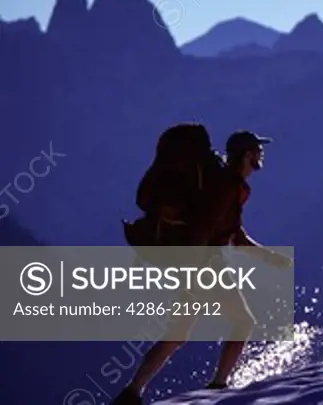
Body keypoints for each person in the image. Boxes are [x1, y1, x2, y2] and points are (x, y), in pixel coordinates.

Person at [113, 130, 292, 405]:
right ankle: (219, 387)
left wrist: (270, 258)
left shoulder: (226, 184)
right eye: (257, 149)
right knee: (243, 322)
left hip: (195, 263)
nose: (261, 154)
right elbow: (206, 229)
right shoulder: (228, 187)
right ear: (246, 154)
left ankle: (132, 393)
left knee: (178, 334)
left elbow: (234, 235)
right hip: (204, 265)